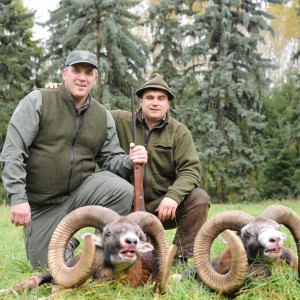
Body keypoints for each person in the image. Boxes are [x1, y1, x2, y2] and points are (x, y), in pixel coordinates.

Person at [0, 50, 148, 269]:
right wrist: (19, 198)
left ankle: (104, 247)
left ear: (95, 78)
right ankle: (66, 241)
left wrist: (130, 159)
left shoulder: (101, 115)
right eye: (76, 71)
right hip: (43, 205)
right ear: (64, 73)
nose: (82, 77)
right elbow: (14, 151)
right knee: (46, 266)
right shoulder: (38, 100)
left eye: (89, 73)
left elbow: (111, 159)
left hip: (81, 192)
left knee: (122, 191)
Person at [110, 73, 211, 263]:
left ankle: (180, 256)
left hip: (163, 207)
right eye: (149, 98)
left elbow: (190, 169)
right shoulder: (120, 120)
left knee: (199, 198)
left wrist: (173, 197)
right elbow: (91, 112)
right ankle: (114, 249)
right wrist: (60, 91)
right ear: (141, 101)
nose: (155, 103)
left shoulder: (179, 132)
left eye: (160, 98)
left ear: (168, 103)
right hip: (126, 205)